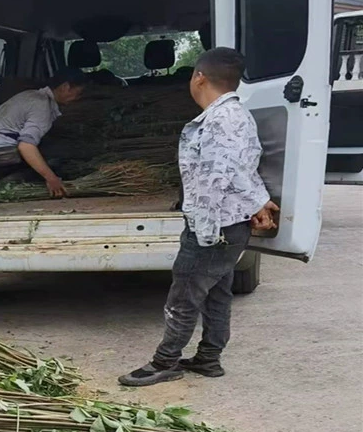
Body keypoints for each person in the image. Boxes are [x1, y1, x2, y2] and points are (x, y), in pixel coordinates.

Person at [118, 47, 278, 387]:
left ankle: (165, 362)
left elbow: (215, 178)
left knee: (184, 295)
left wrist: (202, 231)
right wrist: (259, 201)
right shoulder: (233, 115)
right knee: (217, 292)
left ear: (199, 77)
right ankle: (208, 358)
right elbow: (241, 171)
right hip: (228, 224)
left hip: (214, 225)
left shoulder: (222, 120)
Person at [0, 67, 89, 197]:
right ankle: (9, 183)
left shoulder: (30, 95)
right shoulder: (42, 106)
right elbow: (26, 146)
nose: (78, 98)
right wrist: (51, 178)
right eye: (78, 93)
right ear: (65, 87)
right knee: (54, 162)